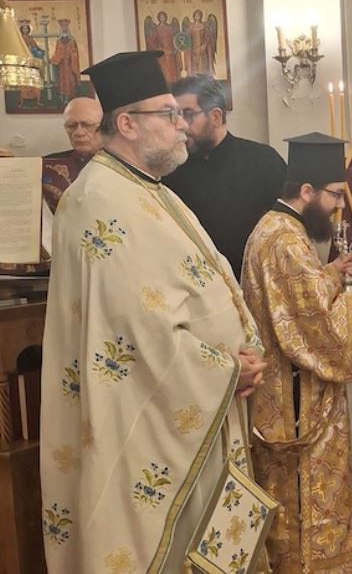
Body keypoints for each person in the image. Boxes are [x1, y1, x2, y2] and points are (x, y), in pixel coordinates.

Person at [39, 50, 267, 573]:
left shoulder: (145, 187)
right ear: (127, 124)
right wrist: (225, 369)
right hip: (155, 417)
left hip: (200, 404)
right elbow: (133, 334)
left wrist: (240, 349)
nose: (182, 125)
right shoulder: (98, 199)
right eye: (169, 114)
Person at [241, 132, 352, 573]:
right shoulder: (285, 241)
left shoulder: (275, 228)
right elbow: (318, 328)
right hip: (298, 404)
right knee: (305, 510)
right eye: (336, 194)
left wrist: (329, 273)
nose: (340, 205)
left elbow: (293, 301)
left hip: (282, 394)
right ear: (307, 190)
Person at [163, 74, 286, 278]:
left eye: (188, 115)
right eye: (175, 115)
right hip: (197, 283)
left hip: (255, 281)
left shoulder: (264, 160)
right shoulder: (171, 169)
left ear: (216, 117)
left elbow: (286, 229)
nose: (180, 124)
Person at [43, 96, 105, 211]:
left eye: (87, 125)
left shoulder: (122, 163)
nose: (79, 132)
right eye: (71, 126)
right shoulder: (47, 164)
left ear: (104, 127)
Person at [49, 18, 80, 101]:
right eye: (62, 27)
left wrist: (71, 56)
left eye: (65, 27)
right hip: (61, 65)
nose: (64, 29)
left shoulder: (72, 41)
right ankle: (62, 95)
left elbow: (75, 52)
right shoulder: (59, 41)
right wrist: (54, 59)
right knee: (62, 80)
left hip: (69, 65)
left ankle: (69, 95)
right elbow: (57, 52)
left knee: (70, 80)